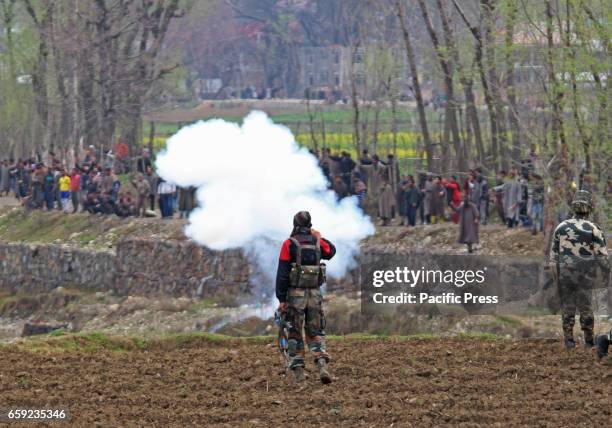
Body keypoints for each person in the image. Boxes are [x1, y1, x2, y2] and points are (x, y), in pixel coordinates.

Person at [275, 211, 336, 384]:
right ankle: (322, 364)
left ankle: (299, 371)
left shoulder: (289, 244)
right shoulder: (318, 242)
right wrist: (319, 236)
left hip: (296, 296)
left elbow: (282, 274)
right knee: (316, 331)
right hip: (315, 294)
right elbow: (331, 251)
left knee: (294, 331)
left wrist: (282, 300)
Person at [549, 190, 609, 349]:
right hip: (585, 276)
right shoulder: (593, 228)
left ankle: (569, 341)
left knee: (567, 307)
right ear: (589, 207)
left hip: (565, 275)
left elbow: (553, 258)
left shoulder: (561, 227)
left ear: (573, 207)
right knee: (586, 307)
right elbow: (602, 257)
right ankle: (589, 341)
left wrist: (557, 279)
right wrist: (606, 275)